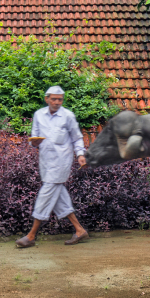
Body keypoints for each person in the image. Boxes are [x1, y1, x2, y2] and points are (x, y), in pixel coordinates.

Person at [15, 86, 89, 248]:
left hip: (62, 162)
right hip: (46, 162)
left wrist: (81, 155)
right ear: (47, 99)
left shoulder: (68, 116)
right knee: (59, 196)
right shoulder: (38, 115)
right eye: (54, 99)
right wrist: (34, 142)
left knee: (46, 194)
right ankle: (79, 230)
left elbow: (77, 138)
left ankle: (31, 235)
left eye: (60, 99)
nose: (56, 102)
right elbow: (34, 137)